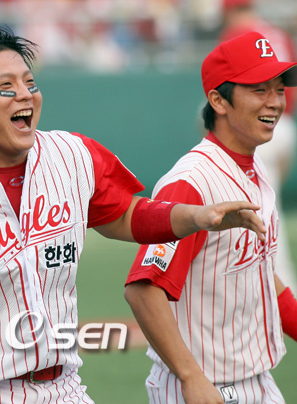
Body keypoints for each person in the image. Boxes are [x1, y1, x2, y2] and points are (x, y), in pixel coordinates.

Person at [0, 20, 265, 404]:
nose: (25, 95)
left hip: (63, 389)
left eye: (30, 83)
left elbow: (127, 216)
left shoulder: (72, 156)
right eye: (6, 88)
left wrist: (196, 217)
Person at [124, 31, 297, 404]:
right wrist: (190, 377)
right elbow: (143, 289)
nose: (275, 102)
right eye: (259, 90)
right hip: (207, 386)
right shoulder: (191, 183)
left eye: (279, 90)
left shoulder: (254, 169)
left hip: (257, 381)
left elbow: (262, 274)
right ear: (218, 100)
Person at [219, 0, 297, 291]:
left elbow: (225, 90)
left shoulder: (235, 34)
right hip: (283, 126)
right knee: (268, 208)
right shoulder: (277, 33)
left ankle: (280, 290)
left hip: (257, 127)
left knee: (262, 215)